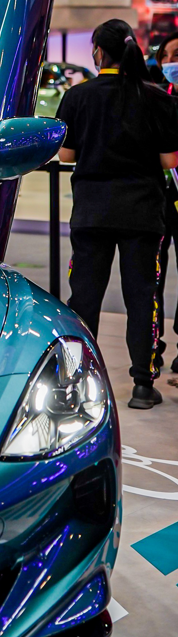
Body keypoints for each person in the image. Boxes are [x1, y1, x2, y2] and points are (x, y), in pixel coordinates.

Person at [58, 19, 178, 410]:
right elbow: (169, 161)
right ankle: (143, 384)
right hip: (142, 212)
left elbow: (66, 155)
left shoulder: (77, 97)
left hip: (91, 211)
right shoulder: (156, 97)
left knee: (84, 298)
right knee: (142, 297)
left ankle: (76, 382)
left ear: (98, 52)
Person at [154, 34, 178, 379]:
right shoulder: (155, 99)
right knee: (152, 276)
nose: (172, 62)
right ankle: (152, 347)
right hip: (157, 202)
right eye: (168, 57)